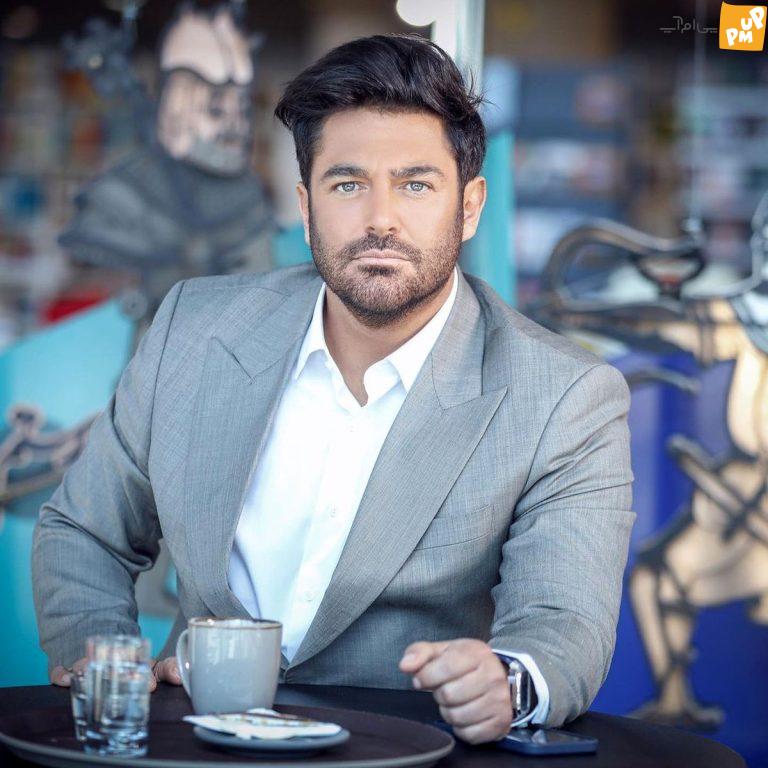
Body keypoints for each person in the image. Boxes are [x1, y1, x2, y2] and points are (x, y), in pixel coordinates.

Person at [33, 34, 634, 744]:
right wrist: (108, 660)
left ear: (469, 206)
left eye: (416, 185)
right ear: (306, 205)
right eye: (347, 185)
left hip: (403, 752)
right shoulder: (195, 328)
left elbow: (564, 624)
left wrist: (505, 681)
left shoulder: (564, 396)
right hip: (192, 745)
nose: (380, 219)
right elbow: (85, 531)